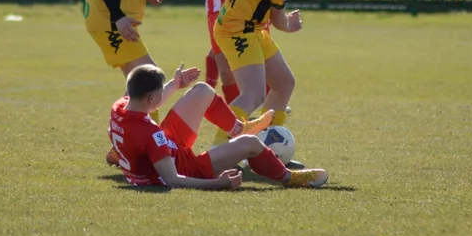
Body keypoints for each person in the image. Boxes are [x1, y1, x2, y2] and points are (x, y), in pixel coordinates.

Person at [108, 63, 328, 189]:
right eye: (159, 94)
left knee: (202, 90)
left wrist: (176, 85)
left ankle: (237, 129)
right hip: (187, 167)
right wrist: (218, 184)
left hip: (169, 145)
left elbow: (121, 131)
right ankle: (290, 178)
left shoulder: (119, 106)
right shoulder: (152, 134)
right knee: (251, 143)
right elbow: (172, 179)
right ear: (152, 99)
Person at [213, 0, 325, 137]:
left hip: (249, 27)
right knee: (253, 94)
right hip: (236, 29)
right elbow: (278, 20)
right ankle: (219, 151)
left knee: (284, 83)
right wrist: (291, 26)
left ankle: (269, 145)